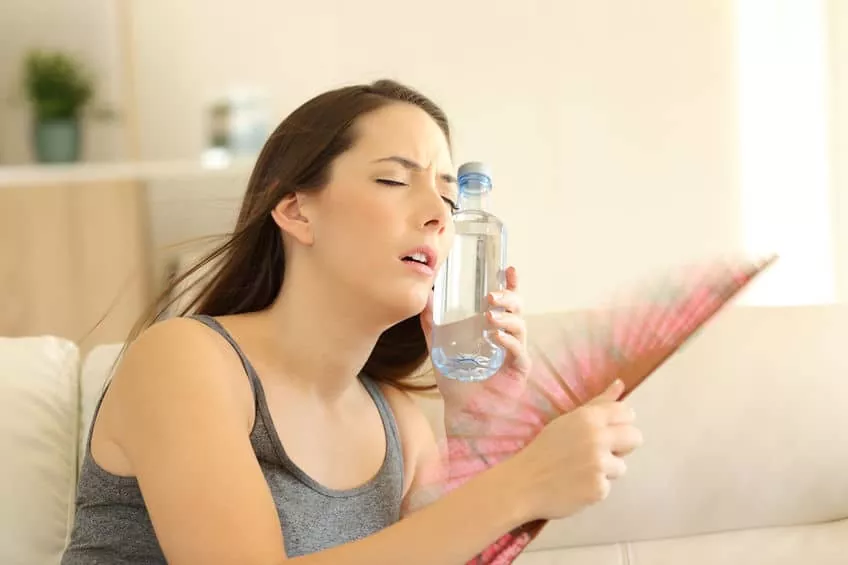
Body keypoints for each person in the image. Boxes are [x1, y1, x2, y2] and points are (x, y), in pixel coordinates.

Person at [61, 79, 643, 565]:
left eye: (448, 195)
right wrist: (522, 485)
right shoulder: (183, 360)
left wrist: (475, 419)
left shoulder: (399, 423)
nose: (441, 214)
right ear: (296, 210)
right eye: (394, 179)